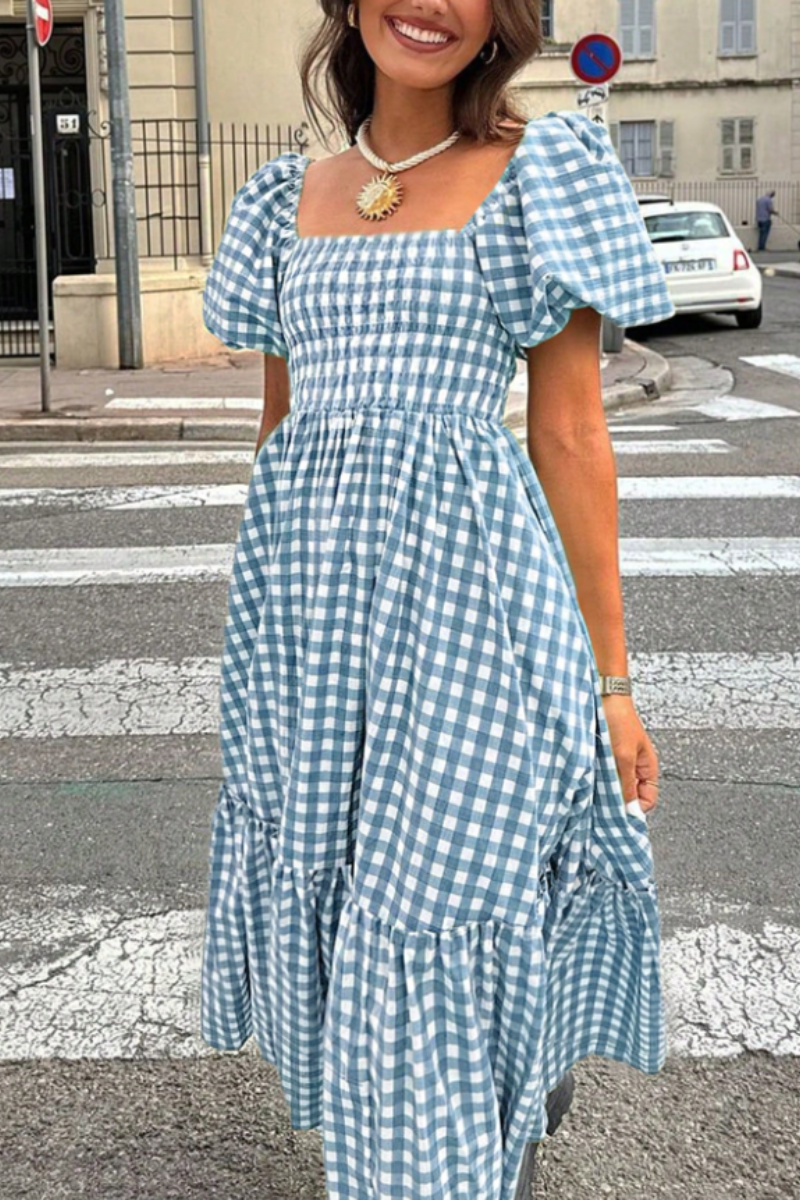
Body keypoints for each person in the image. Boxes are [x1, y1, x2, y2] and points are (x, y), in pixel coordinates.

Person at [199, 3, 674, 1198]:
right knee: (343, 884)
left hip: (468, 609)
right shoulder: (283, 200)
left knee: (440, 895)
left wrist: (612, 683)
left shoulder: (536, 177)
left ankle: (461, 1148)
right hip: (312, 620)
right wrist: (271, 641)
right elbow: (281, 430)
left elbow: (569, 436)